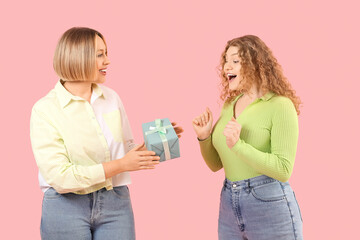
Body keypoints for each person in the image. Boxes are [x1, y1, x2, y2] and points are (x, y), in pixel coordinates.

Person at [30, 27, 183, 240]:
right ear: (78, 57)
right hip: (66, 206)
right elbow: (60, 177)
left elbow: (125, 150)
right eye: (100, 54)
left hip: (115, 202)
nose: (108, 61)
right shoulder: (45, 109)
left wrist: (157, 143)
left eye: (106, 53)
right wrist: (122, 165)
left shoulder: (111, 98)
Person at [192, 35, 303, 240]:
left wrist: (239, 146)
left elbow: (283, 169)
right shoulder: (230, 104)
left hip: (269, 203)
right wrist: (204, 137)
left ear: (255, 64)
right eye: (225, 60)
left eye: (235, 61)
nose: (226, 67)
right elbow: (216, 164)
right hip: (229, 204)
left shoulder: (280, 105)